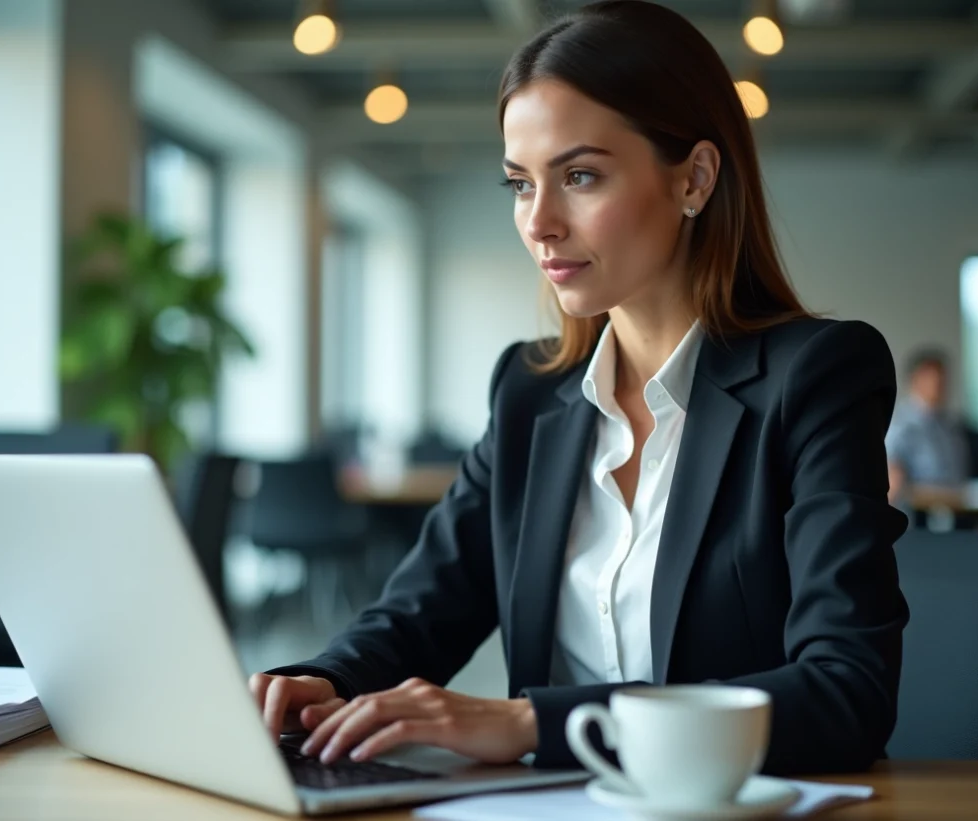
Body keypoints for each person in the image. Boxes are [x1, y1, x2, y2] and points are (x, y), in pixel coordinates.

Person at [250, 0, 909, 777]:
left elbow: (846, 691)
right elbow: (422, 607)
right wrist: (322, 679)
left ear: (694, 178)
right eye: (520, 185)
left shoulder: (818, 377)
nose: (541, 223)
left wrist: (532, 722)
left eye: (581, 176)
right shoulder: (530, 394)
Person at [886, 348, 970, 500]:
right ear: (915, 380)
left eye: (942, 379)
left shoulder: (950, 424)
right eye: (932, 378)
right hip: (923, 514)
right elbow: (893, 481)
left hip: (958, 507)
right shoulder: (901, 426)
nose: (939, 384)